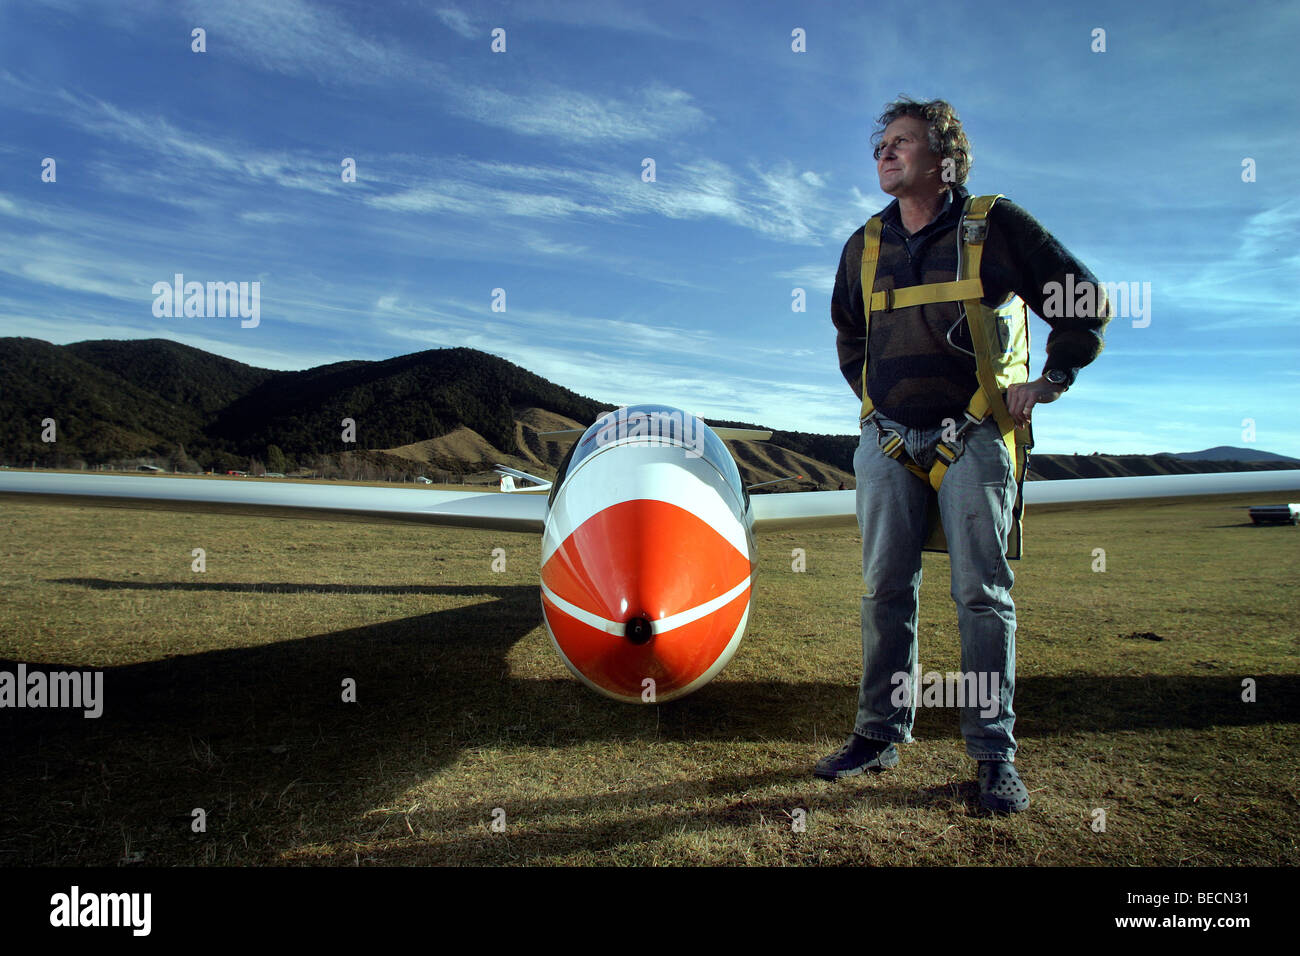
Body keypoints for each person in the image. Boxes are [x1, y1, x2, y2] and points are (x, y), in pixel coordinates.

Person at [820, 96, 1111, 812]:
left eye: (903, 142)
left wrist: (1051, 380)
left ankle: (991, 756)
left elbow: (1083, 299)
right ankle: (878, 735)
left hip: (976, 436)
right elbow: (850, 338)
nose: (885, 153)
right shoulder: (862, 245)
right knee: (885, 592)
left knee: (980, 596)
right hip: (887, 440)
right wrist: (877, 407)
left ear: (944, 159)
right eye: (880, 143)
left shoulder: (995, 226)